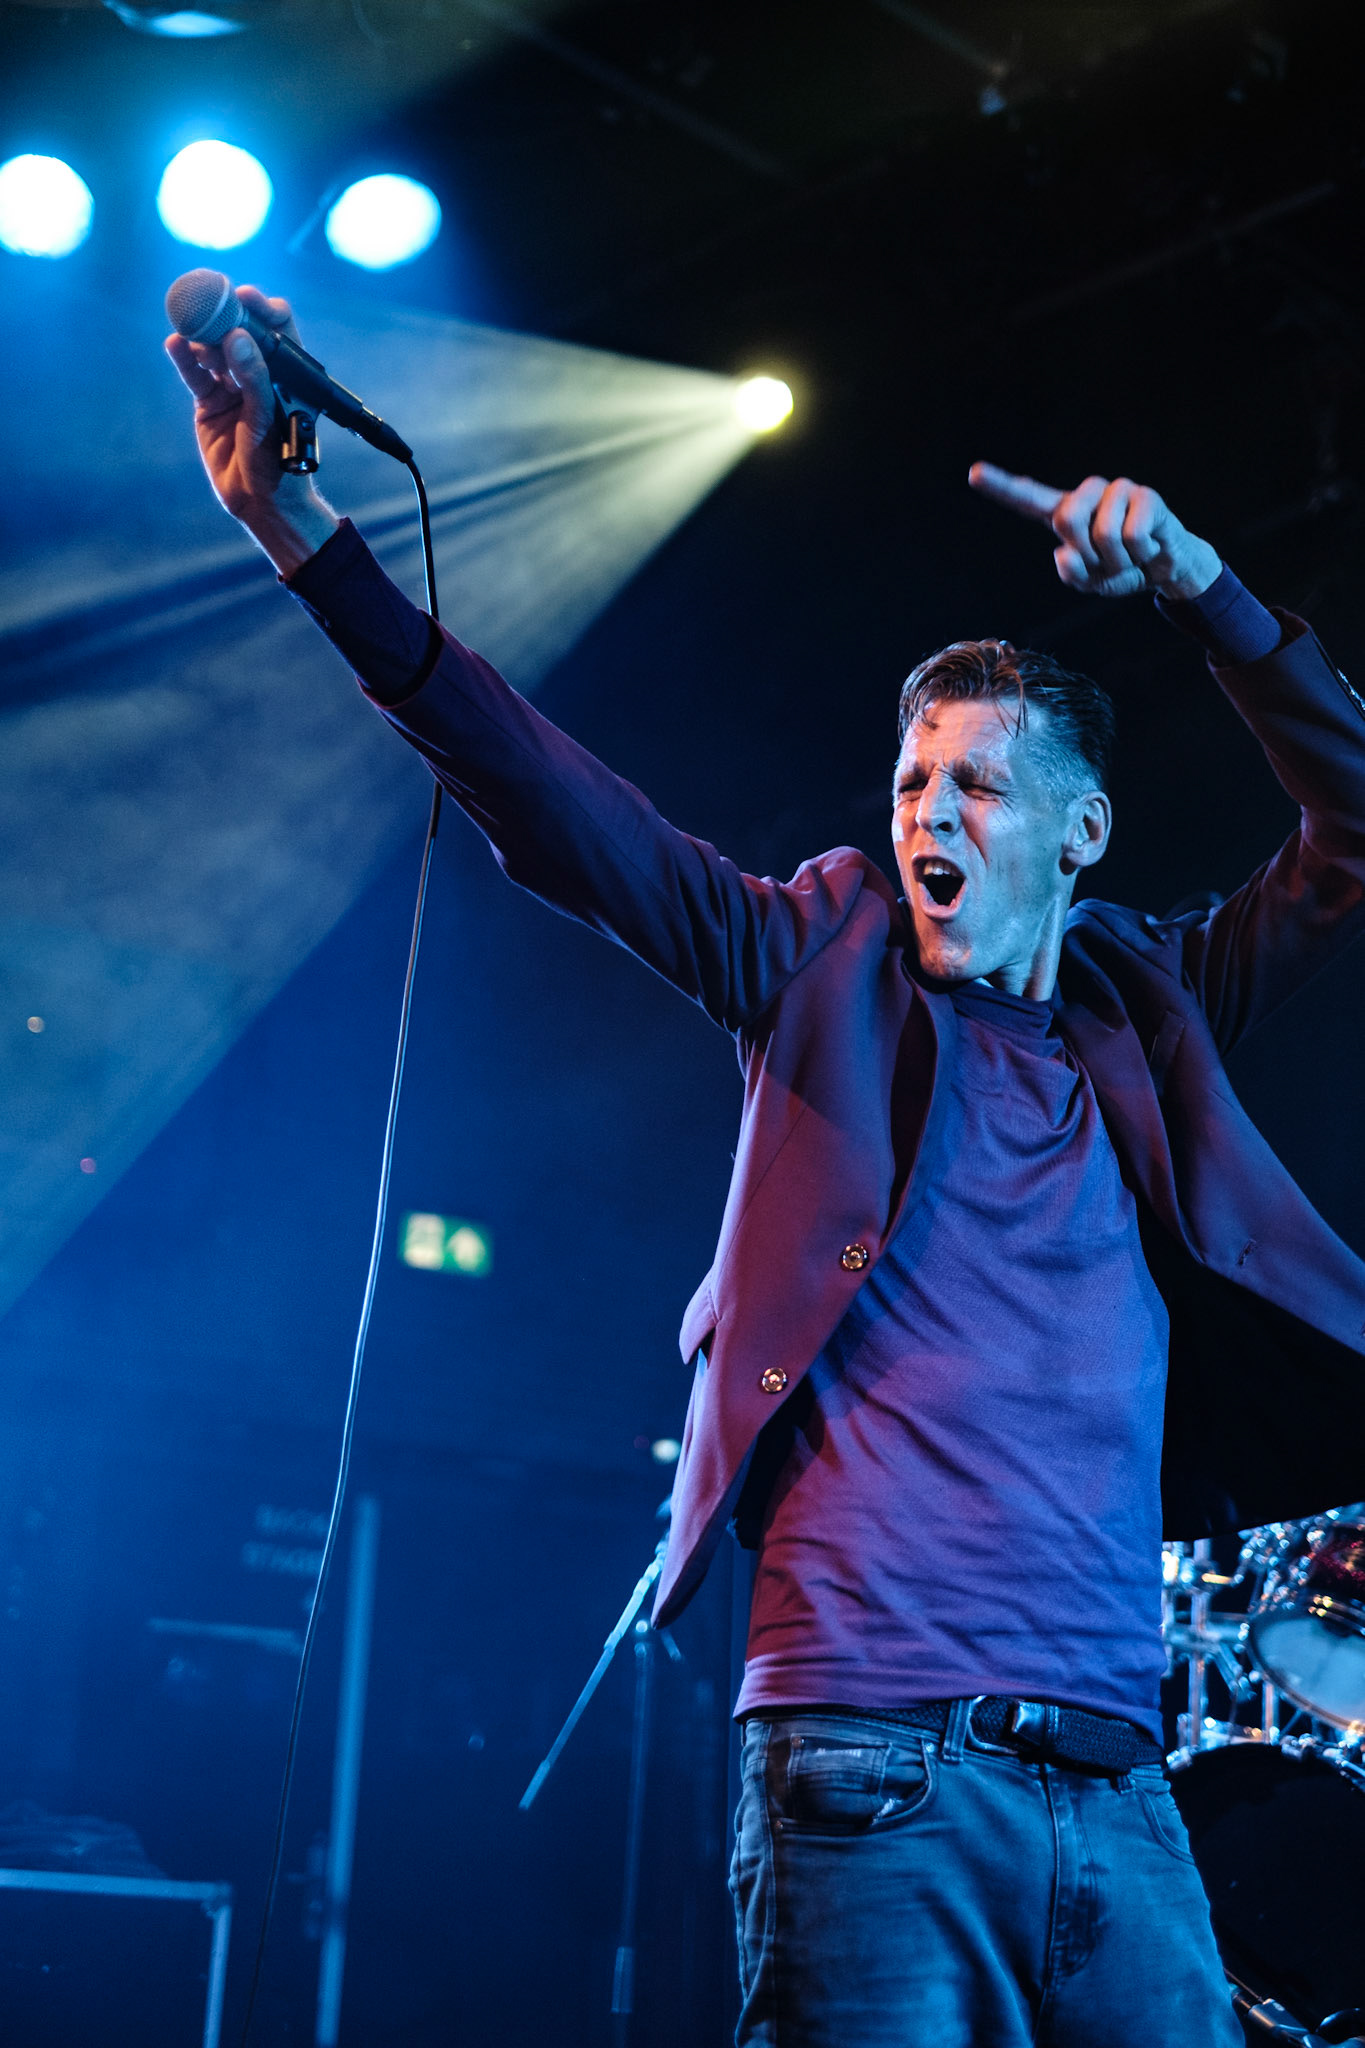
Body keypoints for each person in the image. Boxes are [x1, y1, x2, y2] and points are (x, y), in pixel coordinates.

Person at [168, 291, 1365, 2047]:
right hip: (867, 1756)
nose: (925, 815)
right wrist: (304, 540)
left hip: (1115, 1782)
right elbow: (552, 802)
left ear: (1079, 833)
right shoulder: (812, 961)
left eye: (974, 787)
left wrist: (1203, 586)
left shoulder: (1152, 1005)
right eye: (910, 780)